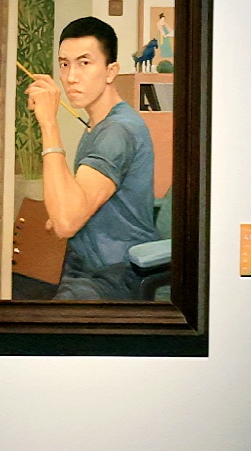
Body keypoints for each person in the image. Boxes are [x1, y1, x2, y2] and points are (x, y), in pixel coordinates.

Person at [27, 16, 161, 302]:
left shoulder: (116, 131)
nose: (71, 77)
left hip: (113, 273)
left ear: (111, 71)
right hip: (85, 261)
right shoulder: (100, 124)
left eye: (84, 63)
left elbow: (66, 222)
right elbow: (78, 199)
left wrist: (49, 124)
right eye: (65, 64)